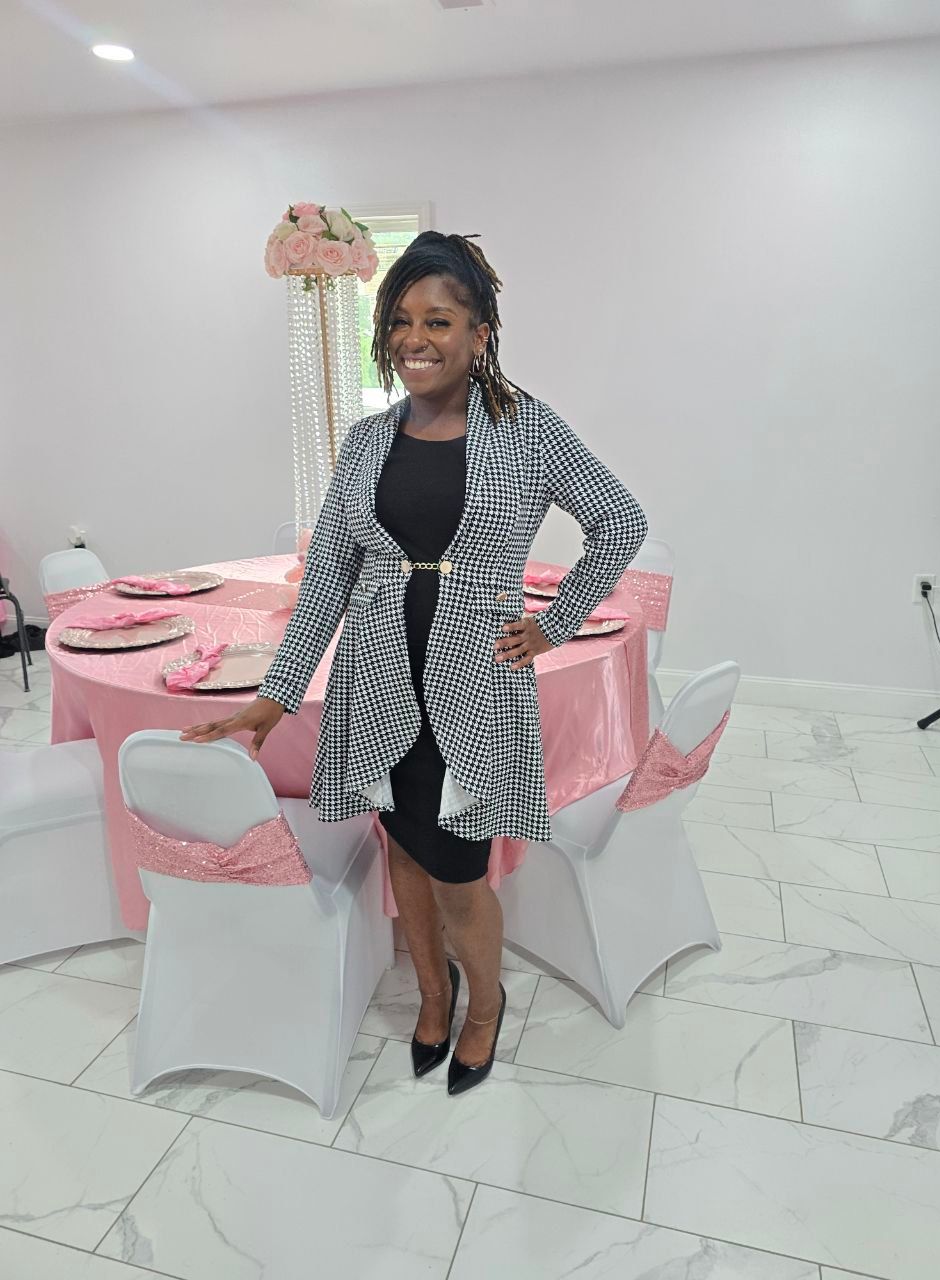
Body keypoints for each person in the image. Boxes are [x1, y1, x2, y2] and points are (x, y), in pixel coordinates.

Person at [181, 231, 647, 1095]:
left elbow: (620, 522)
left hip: (475, 687)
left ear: (479, 333)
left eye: (438, 320)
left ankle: (484, 1007)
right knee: (402, 844)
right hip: (377, 680)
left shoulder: (529, 429)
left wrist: (553, 626)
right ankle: (433, 995)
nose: (413, 339)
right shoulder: (367, 440)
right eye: (399, 320)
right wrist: (275, 698)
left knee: (461, 868)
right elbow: (330, 573)